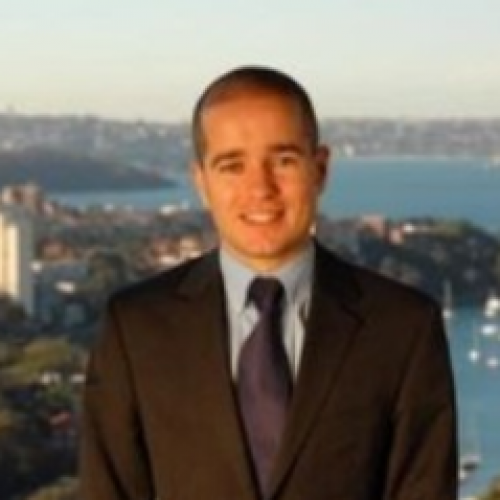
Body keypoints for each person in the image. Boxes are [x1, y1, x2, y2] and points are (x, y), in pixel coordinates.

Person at [80, 66, 457, 500]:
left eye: (283, 161)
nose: (260, 188)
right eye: (232, 165)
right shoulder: (136, 328)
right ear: (202, 182)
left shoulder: (403, 328)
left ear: (320, 169)